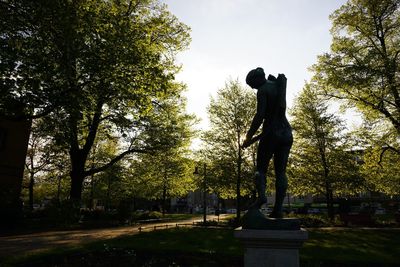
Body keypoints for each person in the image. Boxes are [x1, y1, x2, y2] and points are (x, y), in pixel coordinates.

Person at [242, 67, 293, 218]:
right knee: (281, 172)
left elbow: (260, 115)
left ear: (257, 79)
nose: (252, 88)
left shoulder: (263, 90)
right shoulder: (277, 85)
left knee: (261, 170)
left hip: (271, 134)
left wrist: (249, 136)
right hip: (286, 132)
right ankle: (278, 209)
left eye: (252, 84)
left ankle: (262, 197)